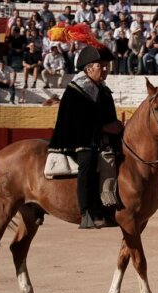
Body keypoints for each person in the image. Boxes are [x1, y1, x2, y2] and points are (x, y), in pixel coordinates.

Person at [47, 40, 122, 229]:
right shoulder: (76, 90)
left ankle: (111, 206)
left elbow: (108, 117)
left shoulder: (103, 90)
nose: (105, 70)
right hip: (77, 140)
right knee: (88, 162)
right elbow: (77, 122)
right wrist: (105, 127)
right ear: (88, 69)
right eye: (101, 66)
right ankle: (86, 211)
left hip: (99, 139)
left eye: (107, 66)